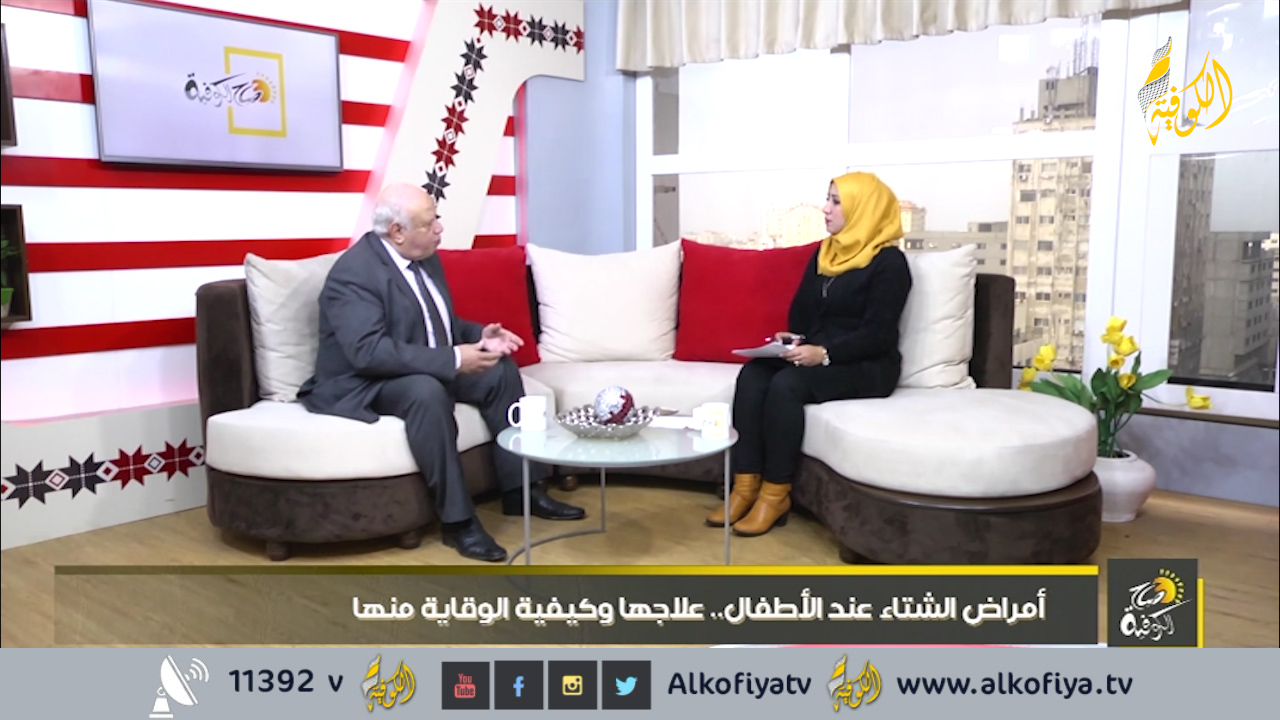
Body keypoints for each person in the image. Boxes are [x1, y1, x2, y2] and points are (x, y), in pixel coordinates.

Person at [298, 183, 585, 562]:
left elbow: (438, 323)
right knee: (425, 391)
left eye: (437, 219)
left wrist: (479, 336)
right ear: (397, 232)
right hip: (362, 382)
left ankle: (522, 490)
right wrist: (452, 359)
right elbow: (368, 353)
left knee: (498, 371)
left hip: (411, 364)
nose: (439, 229)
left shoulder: (425, 258)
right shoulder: (355, 274)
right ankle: (458, 522)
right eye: (428, 223)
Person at [707, 171, 913, 536]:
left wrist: (825, 353)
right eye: (828, 199)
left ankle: (776, 494)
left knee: (787, 385)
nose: (825, 208)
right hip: (818, 354)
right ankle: (744, 486)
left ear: (862, 208)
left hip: (866, 365)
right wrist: (794, 338)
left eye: (836, 202)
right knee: (754, 374)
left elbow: (878, 335)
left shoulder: (889, 263)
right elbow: (804, 314)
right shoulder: (825, 252)